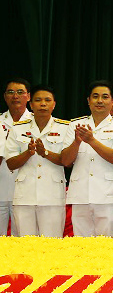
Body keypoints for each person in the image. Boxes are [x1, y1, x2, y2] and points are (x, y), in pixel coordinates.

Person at [3, 86, 73, 237]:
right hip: (25, 195)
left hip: (52, 196)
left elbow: (67, 161)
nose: (43, 104)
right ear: (31, 104)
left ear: (54, 104)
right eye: (38, 100)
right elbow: (10, 163)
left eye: (47, 100)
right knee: (25, 243)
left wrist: (45, 153)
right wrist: (28, 153)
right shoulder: (18, 128)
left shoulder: (65, 127)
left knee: (51, 243)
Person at [64, 81, 113, 237]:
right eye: (95, 96)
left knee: (107, 245)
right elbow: (66, 161)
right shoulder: (75, 124)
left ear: (112, 101)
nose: (100, 101)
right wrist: (76, 142)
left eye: (105, 97)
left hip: (108, 195)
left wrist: (91, 140)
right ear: (88, 100)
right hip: (80, 195)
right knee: (81, 245)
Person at [1, 78, 32, 236]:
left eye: (20, 92)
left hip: (26, 190)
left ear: (28, 96)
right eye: (11, 92)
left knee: (22, 239)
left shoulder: (36, 122)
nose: (15, 96)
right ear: (5, 96)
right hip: (1, 187)